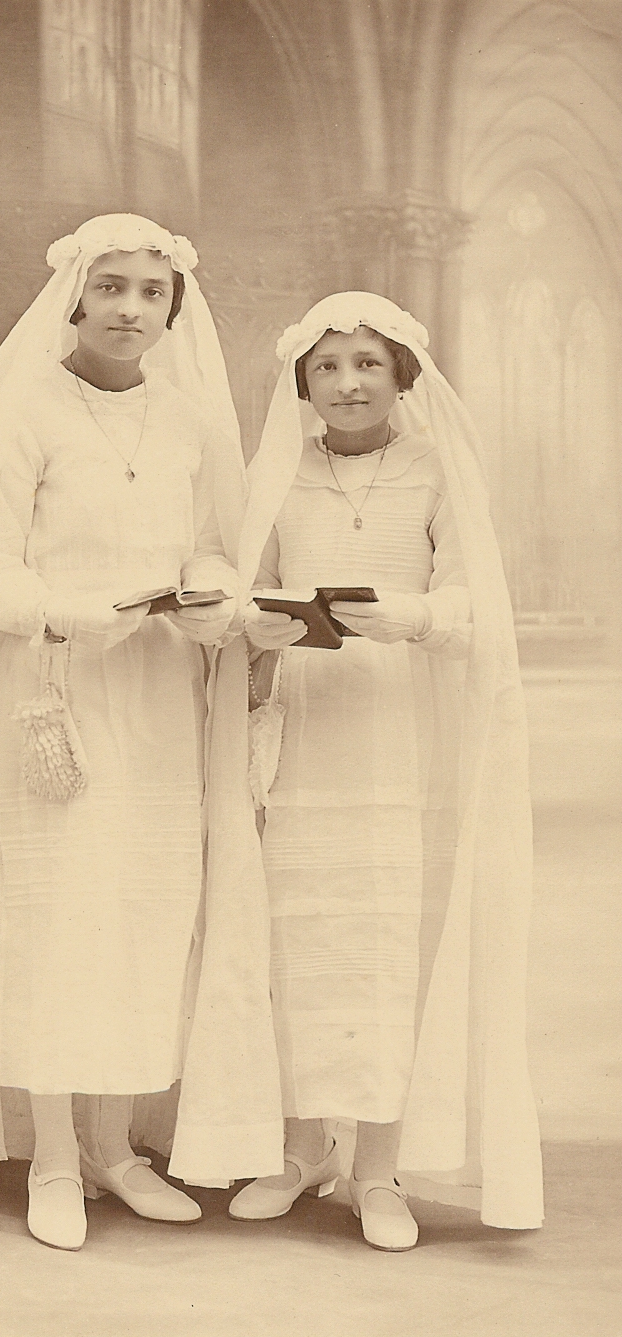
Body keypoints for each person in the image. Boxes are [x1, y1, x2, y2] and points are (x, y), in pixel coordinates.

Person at [0, 214, 247, 1251]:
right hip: (48, 693)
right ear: (74, 294)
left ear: (173, 308)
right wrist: (72, 612)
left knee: (142, 912)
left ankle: (116, 1145)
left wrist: (208, 594)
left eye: (150, 292)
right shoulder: (28, 408)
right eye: (109, 287)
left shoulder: (189, 419)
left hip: (156, 698)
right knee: (58, 915)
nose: (129, 309)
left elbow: (211, 546)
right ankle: (55, 1156)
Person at [169, 292, 543, 1248]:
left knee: (388, 940)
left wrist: (410, 616)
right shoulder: (275, 473)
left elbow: (476, 600)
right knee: (296, 933)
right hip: (305, 727)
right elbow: (238, 587)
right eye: (327, 367)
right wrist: (254, 621)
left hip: (402, 730)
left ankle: (377, 1167)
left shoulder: (436, 469)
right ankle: (301, 1149)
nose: (347, 383)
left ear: (401, 375)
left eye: (367, 363)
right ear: (303, 382)